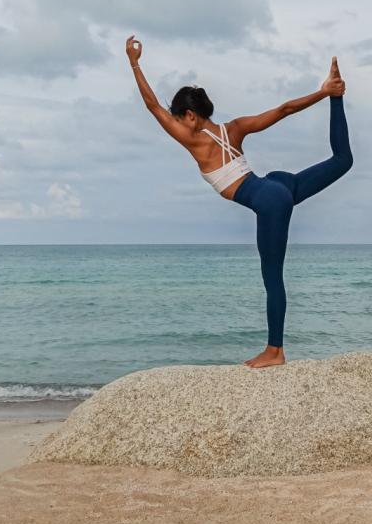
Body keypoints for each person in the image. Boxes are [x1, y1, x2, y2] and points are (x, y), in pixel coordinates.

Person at [126, 35, 352, 368]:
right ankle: (338, 98)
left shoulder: (191, 139)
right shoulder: (235, 128)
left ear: (190, 116)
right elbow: (284, 109)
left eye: (177, 117)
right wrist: (325, 92)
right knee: (343, 160)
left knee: (272, 277)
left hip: (270, 199)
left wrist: (134, 62)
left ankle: (275, 351)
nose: (173, 122)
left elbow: (152, 105)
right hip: (276, 185)